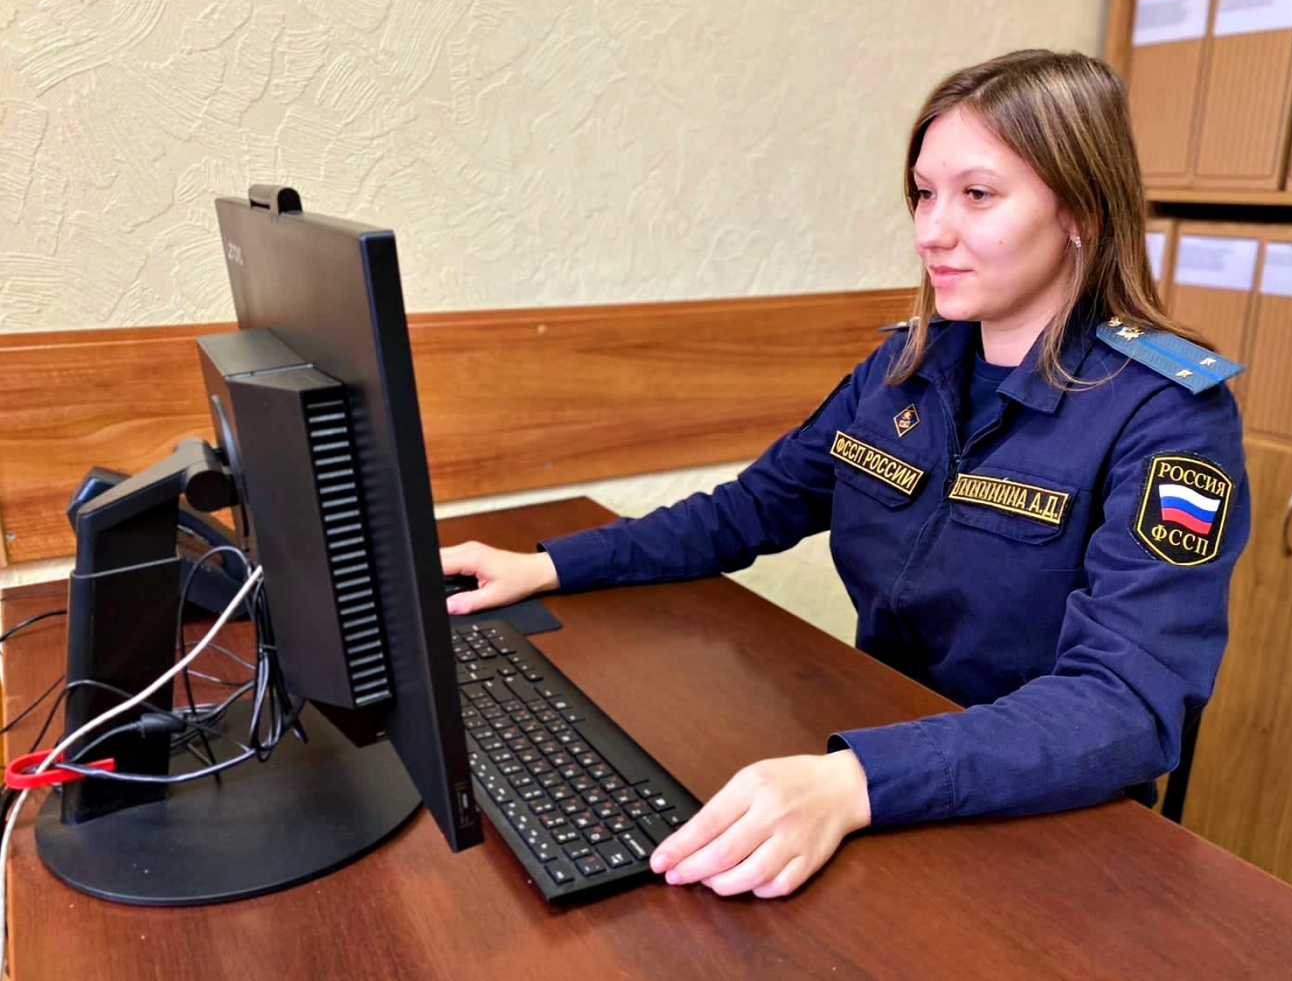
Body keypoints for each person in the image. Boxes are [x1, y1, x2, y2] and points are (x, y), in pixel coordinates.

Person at [439, 49, 1250, 899]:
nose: (932, 231)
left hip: (1032, 816)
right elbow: (751, 508)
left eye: (977, 194)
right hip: (880, 763)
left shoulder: (1169, 415)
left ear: (1079, 210)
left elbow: (1125, 704)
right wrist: (551, 563)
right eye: (924, 193)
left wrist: (857, 778)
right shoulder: (906, 364)